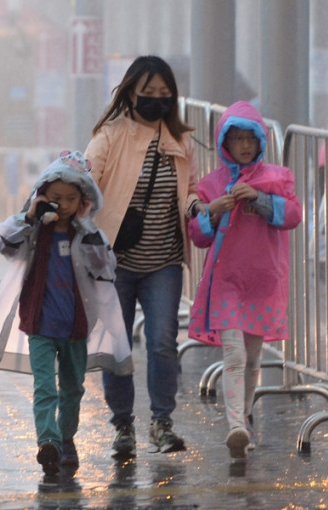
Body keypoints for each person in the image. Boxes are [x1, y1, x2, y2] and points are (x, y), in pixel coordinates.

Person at [0, 151, 133, 479]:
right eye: (56, 198)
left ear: (83, 202)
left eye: (72, 198)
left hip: (76, 327)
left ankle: (67, 438)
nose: (64, 204)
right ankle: (48, 441)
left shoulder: (88, 234)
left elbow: (106, 270)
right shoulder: (33, 231)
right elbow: (4, 243)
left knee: (73, 387)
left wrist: (94, 238)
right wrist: (30, 215)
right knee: (45, 387)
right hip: (40, 325)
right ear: (42, 196)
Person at [84, 55, 202, 457]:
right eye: (148, 93)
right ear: (130, 92)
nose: (156, 101)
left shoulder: (181, 141)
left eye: (164, 94)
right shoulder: (109, 137)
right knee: (116, 345)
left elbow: (189, 191)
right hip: (114, 263)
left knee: (163, 342)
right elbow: (86, 184)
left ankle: (161, 422)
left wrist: (197, 206)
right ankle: (122, 427)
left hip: (164, 261)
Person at [187, 101, 302, 460]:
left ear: (260, 141)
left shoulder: (277, 179)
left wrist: (262, 200)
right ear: (224, 143)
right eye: (236, 139)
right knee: (234, 354)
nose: (245, 145)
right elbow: (198, 235)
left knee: (253, 359)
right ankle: (235, 425)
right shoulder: (211, 184)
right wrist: (213, 212)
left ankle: (246, 417)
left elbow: (294, 215)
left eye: (250, 138)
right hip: (226, 282)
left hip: (263, 281)